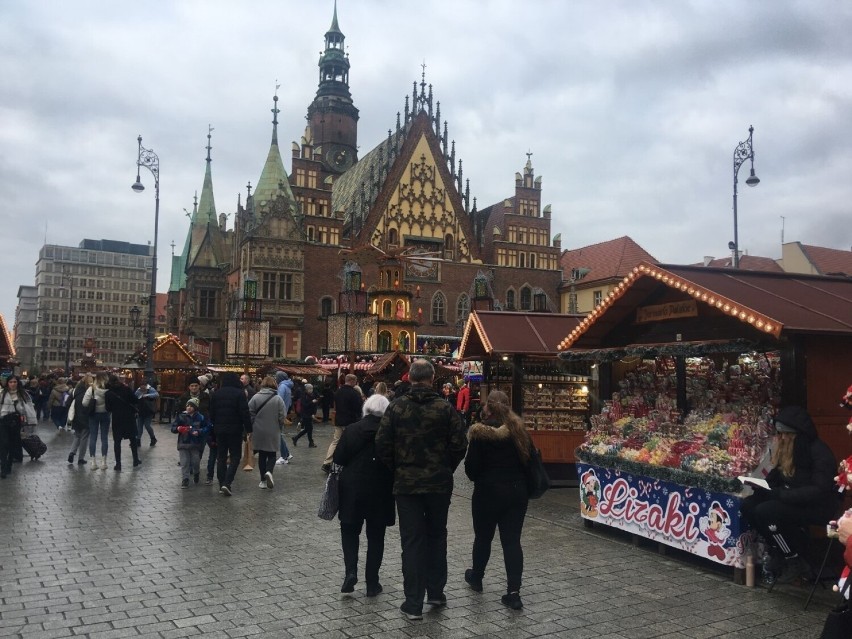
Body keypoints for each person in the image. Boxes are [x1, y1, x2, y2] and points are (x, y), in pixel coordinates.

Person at [375, 359, 468, 621]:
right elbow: (459, 444)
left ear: (410, 379)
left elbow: (382, 444)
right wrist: (445, 466)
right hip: (438, 484)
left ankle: (413, 602)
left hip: (407, 484)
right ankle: (436, 592)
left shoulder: (396, 408)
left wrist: (398, 467)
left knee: (413, 541)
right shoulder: (445, 409)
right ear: (431, 379)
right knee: (437, 537)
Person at [741, 405, 838, 584]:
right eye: (781, 434)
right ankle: (777, 548)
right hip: (791, 497)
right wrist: (763, 486)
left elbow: (819, 490)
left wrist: (782, 495)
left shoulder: (819, 452)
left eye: (787, 434)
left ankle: (792, 558)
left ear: (798, 435)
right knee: (748, 505)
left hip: (815, 505)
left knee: (766, 511)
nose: (783, 438)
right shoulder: (788, 448)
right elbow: (777, 476)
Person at [463, 390, 532, 610]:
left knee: (483, 537)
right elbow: (528, 462)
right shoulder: (520, 431)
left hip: (488, 492)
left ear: (489, 408)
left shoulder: (480, 434)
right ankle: (513, 591)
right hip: (516, 491)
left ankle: (477, 577)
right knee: (512, 541)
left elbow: (471, 469)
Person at [334, 393, 395, 597]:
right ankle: (372, 582)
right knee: (376, 537)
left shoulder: (352, 429)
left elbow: (339, 458)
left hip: (352, 487)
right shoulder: (390, 432)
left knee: (350, 531)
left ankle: (350, 571)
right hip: (381, 489)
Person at [209, 372, 252, 496]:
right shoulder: (239, 394)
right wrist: (248, 429)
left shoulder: (217, 394)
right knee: (235, 456)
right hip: (235, 430)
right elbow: (245, 413)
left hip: (219, 429)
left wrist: (214, 426)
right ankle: (227, 483)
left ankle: (221, 482)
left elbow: (211, 413)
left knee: (221, 456)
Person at [248, 376, 287, 489]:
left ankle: (262, 481)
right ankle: (269, 471)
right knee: (272, 454)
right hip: (273, 429)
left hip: (258, 430)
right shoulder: (278, 399)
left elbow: (250, 412)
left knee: (262, 455)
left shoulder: (255, 397)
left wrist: (253, 424)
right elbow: (282, 416)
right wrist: (279, 426)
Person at [323, 374, 363, 474]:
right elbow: (358, 408)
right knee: (349, 442)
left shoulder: (337, 392)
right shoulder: (354, 393)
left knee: (335, 441)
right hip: (350, 422)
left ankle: (327, 462)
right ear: (352, 381)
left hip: (339, 420)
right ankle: (347, 463)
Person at [0, 376, 37, 478]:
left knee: (12, 444)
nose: (12, 384)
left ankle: (9, 464)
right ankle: (3, 468)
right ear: (7, 383)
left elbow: (29, 407)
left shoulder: (23, 394)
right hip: (4, 420)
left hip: (16, 421)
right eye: (10, 382)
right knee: (4, 444)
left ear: (17, 383)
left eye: (14, 382)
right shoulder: (2, 393)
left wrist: (30, 420)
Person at [171, 398, 210, 488]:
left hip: (195, 443)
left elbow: (207, 427)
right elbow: (173, 427)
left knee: (195, 461)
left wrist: (199, 431)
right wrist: (178, 429)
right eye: (187, 406)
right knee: (184, 462)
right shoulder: (181, 416)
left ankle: (196, 472)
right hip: (183, 443)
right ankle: (185, 479)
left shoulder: (200, 417)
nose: (189, 408)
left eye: (191, 406)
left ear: (195, 407)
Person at [104, 375, 141, 471]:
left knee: (117, 441)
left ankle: (118, 464)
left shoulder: (108, 393)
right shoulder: (126, 389)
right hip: (129, 417)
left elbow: (108, 408)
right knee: (132, 439)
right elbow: (135, 400)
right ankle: (135, 460)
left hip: (117, 419)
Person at [83, 372, 111, 471]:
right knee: (104, 438)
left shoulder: (92, 389)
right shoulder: (109, 389)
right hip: (105, 414)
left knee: (93, 438)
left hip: (93, 415)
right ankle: (104, 462)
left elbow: (84, 403)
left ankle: (93, 462)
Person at [67, 374, 92, 466]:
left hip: (76, 417)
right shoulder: (90, 392)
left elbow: (67, 403)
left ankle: (72, 452)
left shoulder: (74, 391)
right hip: (86, 417)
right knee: (84, 438)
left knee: (77, 436)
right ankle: (81, 458)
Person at [274, 371, 294, 465]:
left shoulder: (282, 387)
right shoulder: (288, 386)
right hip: (284, 411)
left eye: (276, 377)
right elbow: (289, 403)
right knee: (279, 434)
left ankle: (284, 456)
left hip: (279, 413)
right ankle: (287, 453)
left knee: (278, 435)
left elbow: (278, 400)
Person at [292, 383, 319, 448]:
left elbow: (314, 406)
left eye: (312, 389)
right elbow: (305, 405)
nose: (311, 390)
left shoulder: (312, 395)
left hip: (309, 414)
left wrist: (313, 413)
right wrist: (312, 402)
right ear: (306, 389)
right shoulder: (304, 396)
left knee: (308, 429)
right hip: (305, 414)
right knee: (309, 428)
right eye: (309, 389)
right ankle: (310, 443)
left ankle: (296, 438)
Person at [134, 380, 159, 447]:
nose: (142, 389)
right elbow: (135, 397)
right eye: (141, 388)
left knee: (147, 425)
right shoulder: (138, 390)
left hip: (149, 411)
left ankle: (153, 438)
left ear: (146, 386)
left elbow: (156, 394)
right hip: (141, 410)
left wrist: (147, 395)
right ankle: (138, 440)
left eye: (143, 388)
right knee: (139, 426)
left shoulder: (151, 389)